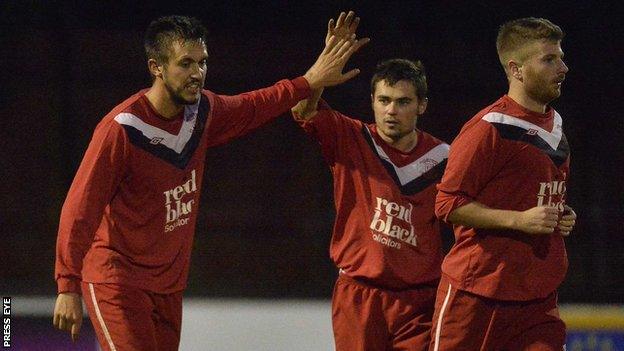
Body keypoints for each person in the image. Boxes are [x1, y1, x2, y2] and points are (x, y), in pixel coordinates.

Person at [52, 14, 366, 350]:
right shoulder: (122, 129)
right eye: (185, 63)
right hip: (117, 281)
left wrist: (309, 80)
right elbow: (80, 207)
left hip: (168, 286)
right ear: (156, 67)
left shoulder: (200, 113)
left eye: (202, 62)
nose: (197, 73)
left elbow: (254, 105)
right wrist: (67, 285)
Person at [292, 11, 449, 351]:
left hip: (419, 301)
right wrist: (317, 74)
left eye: (403, 102)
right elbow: (304, 109)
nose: (392, 110)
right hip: (359, 295)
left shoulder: (445, 158)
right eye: (384, 101)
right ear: (373, 103)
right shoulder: (351, 138)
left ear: (422, 105)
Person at [430, 17, 577, 350]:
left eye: (561, 57)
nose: (563, 67)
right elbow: (446, 203)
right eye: (549, 59)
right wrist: (519, 220)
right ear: (517, 69)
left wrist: (561, 213)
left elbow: (533, 193)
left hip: (538, 296)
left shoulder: (555, 124)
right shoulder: (487, 129)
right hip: (478, 295)